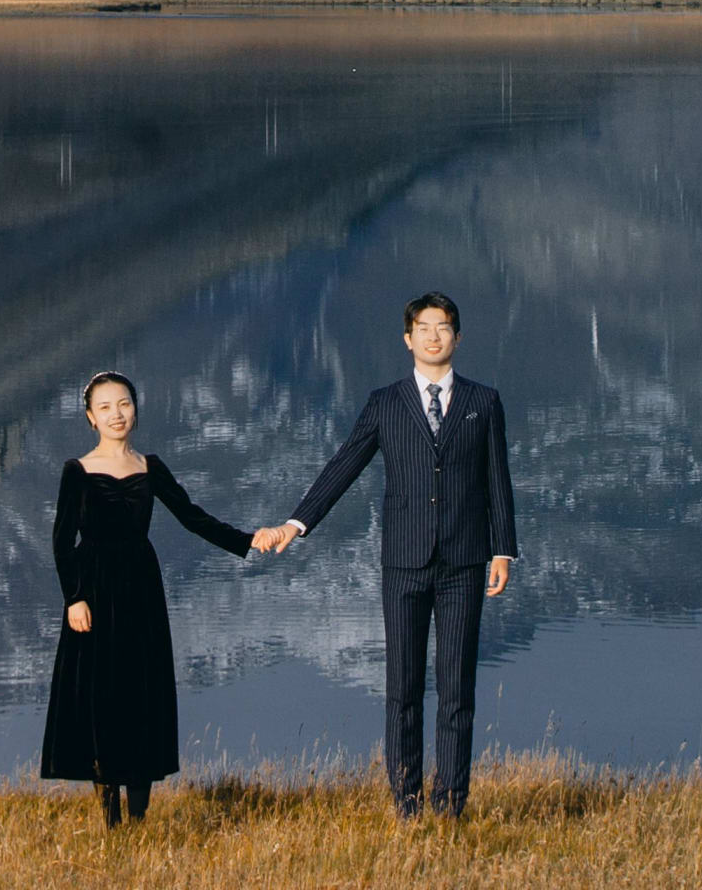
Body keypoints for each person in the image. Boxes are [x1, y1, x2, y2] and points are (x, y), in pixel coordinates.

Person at [253, 291, 516, 817]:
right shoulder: (385, 403)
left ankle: (450, 806)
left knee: (457, 689)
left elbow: (497, 481)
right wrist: (295, 522)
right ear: (407, 338)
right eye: (424, 327)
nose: (434, 335)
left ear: (458, 337)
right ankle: (408, 803)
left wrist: (503, 551)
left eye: (443, 327)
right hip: (403, 564)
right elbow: (345, 464)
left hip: (464, 563)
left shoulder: (483, 402)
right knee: (402, 689)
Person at [41, 368, 257, 824]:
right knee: (101, 699)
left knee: (141, 695)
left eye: (124, 404)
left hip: (141, 589)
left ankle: (138, 821)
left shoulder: (151, 467)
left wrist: (248, 540)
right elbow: (61, 542)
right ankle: (110, 821)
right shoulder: (76, 471)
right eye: (105, 407)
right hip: (94, 591)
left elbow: (193, 518)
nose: (116, 414)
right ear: (90, 418)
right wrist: (73, 598)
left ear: (135, 409)